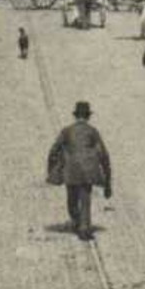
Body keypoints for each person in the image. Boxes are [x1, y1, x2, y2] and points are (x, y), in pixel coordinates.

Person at [47, 101, 112, 240]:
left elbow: (54, 150)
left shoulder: (67, 131)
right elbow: (104, 155)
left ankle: (77, 221)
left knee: (72, 199)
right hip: (89, 170)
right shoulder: (93, 132)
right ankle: (84, 227)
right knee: (85, 199)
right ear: (88, 116)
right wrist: (107, 181)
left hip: (71, 170)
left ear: (76, 116)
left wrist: (51, 169)